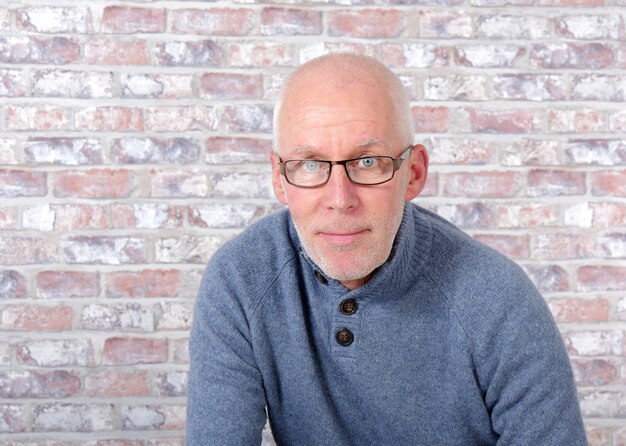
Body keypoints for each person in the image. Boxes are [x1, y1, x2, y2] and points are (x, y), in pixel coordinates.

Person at [186, 53, 587, 445]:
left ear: (412, 174)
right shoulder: (240, 281)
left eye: (367, 162)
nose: (340, 199)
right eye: (310, 164)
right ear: (279, 178)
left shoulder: (498, 300)